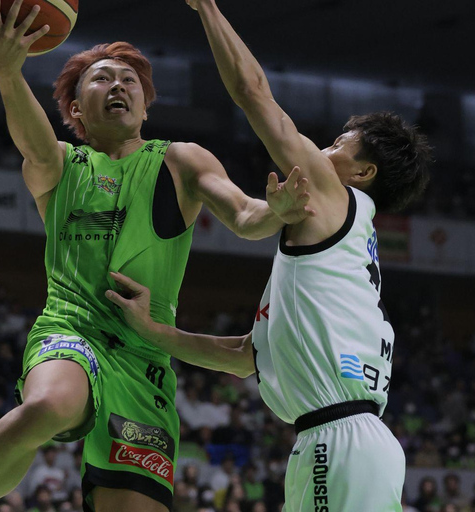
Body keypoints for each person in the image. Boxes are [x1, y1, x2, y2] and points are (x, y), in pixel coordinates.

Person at [0, 2, 312, 511]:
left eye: (129, 80)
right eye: (100, 79)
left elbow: (247, 219)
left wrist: (276, 213)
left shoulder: (181, 160)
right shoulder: (60, 165)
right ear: (75, 110)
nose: (118, 85)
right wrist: (7, 70)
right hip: (70, 330)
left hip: (144, 359)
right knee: (52, 404)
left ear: (145, 107)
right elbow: (32, 144)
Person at [104, 1, 432, 510]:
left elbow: (253, 94)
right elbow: (242, 358)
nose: (321, 150)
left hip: (340, 441)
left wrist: (207, 8)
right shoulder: (331, 256)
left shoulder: (333, 197)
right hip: (327, 440)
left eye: (339, 143)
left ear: (363, 173)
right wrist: (154, 333)